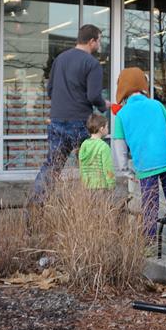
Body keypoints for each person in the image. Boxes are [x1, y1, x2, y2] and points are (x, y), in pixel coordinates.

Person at [110, 67, 166, 254]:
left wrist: (125, 170)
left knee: (150, 204)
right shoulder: (157, 105)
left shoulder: (122, 115)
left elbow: (119, 145)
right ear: (143, 85)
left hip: (145, 166)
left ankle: (149, 245)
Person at [32, 24, 107, 201]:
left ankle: (35, 208)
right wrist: (104, 105)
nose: (100, 44)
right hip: (81, 122)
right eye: (99, 40)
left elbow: (50, 90)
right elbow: (93, 96)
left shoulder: (60, 59)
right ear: (92, 41)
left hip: (57, 120)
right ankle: (92, 209)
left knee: (52, 167)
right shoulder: (92, 64)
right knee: (92, 166)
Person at [78, 112, 114, 190]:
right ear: (101, 129)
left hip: (86, 185)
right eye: (107, 127)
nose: (108, 129)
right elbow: (108, 168)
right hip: (101, 186)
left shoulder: (84, 145)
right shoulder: (104, 146)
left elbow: (81, 165)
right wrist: (111, 184)